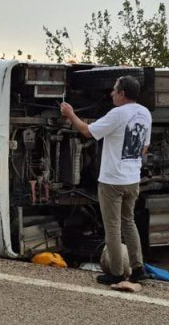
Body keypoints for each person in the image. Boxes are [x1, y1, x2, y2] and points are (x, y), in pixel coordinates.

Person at [60, 76, 152, 284]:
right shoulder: (144, 113)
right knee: (129, 222)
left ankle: (117, 273)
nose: (111, 94)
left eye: (114, 90)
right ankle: (138, 269)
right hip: (132, 178)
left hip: (112, 179)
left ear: (122, 93)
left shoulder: (118, 113)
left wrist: (70, 114)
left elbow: (87, 131)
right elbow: (144, 148)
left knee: (112, 226)